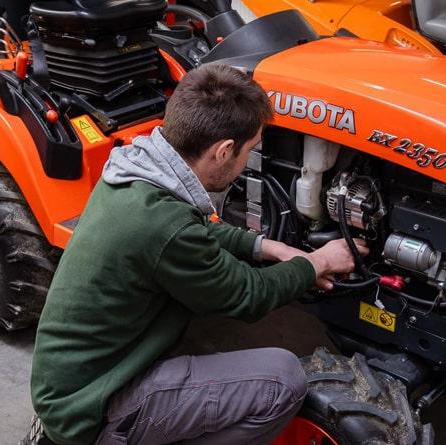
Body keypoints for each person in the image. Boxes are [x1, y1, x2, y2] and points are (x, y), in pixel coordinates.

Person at [29, 64, 367, 445]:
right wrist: (316, 261)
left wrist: (265, 246)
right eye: (249, 151)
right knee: (282, 379)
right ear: (224, 151)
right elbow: (247, 295)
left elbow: (196, 230)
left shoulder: (137, 171)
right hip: (90, 406)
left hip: (72, 378)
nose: (245, 163)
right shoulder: (163, 224)